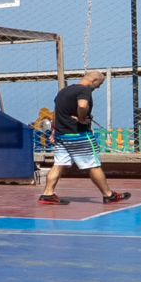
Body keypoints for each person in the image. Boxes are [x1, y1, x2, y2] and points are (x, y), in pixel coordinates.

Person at [39, 70, 131, 206]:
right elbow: (82, 105)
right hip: (79, 135)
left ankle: (48, 194)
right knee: (93, 165)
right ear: (93, 80)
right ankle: (108, 195)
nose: (98, 87)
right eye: (99, 84)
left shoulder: (63, 91)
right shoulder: (84, 90)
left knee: (58, 164)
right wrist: (82, 119)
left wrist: (54, 130)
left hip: (61, 135)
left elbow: (57, 112)